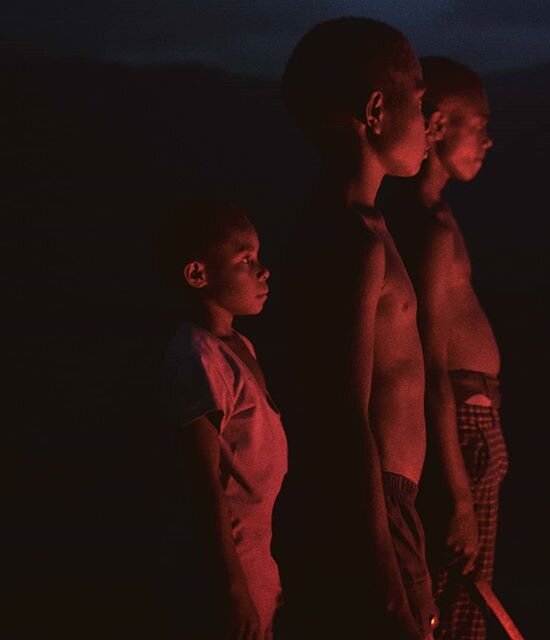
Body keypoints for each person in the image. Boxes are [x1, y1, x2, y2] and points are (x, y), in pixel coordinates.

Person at [276, 17, 437, 639]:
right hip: (375, 512)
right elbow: (342, 415)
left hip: (389, 504)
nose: (427, 122)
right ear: (376, 110)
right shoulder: (349, 236)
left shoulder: (362, 226)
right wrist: (387, 580)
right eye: (420, 103)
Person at [383, 57, 509, 640]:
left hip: (476, 419)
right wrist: (457, 495)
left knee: (466, 587)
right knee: (458, 591)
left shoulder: (439, 216)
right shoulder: (424, 227)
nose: (487, 138)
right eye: (476, 124)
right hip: (461, 424)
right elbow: (430, 367)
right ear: (435, 125)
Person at [160, 201, 287, 639]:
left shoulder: (240, 348)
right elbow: (204, 486)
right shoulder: (197, 358)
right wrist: (234, 590)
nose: (262, 271)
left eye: (259, 257)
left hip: (255, 562)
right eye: (245, 260)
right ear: (198, 275)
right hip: (227, 572)